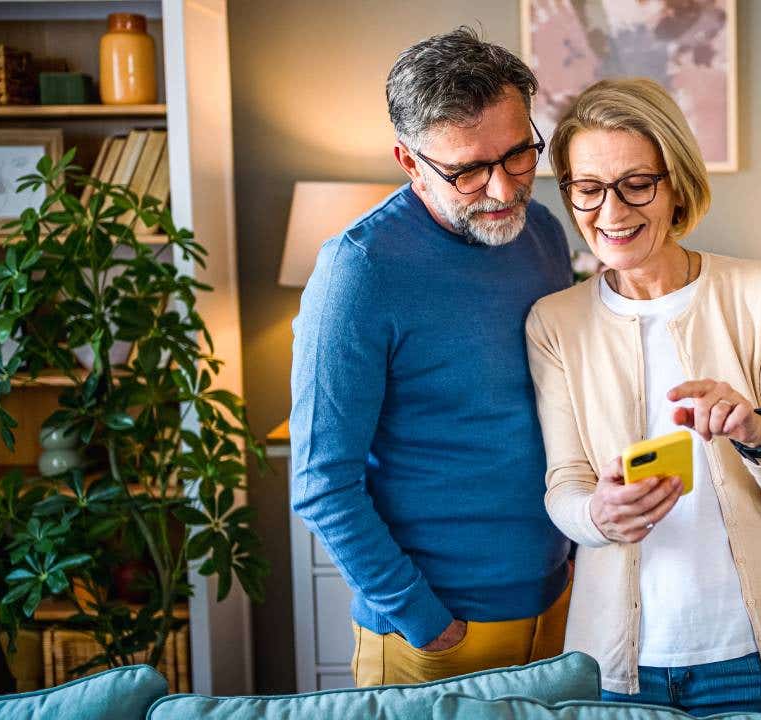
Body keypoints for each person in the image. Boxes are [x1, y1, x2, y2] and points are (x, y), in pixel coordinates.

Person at [525, 78, 761, 716]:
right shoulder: (554, 322)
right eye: (587, 188)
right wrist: (598, 515)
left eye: (637, 183)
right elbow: (565, 484)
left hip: (756, 661)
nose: (611, 212)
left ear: (676, 184)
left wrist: (759, 433)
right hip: (615, 667)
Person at [290, 27, 573, 687]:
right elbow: (321, 483)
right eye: (469, 170)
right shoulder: (358, 272)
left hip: (554, 601)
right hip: (437, 630)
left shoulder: (546, 235)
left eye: (519, 154)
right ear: (410, 161)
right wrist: (423, 619)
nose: (504, 189)